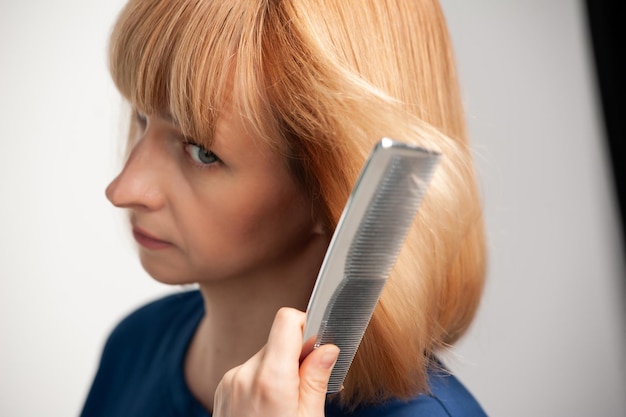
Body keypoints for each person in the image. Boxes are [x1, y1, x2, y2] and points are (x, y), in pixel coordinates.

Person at [80, 0, 488, 416]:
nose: (123, 189)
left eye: (202, 152)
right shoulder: (134, 347)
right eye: (142, 119)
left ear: (331, 188)